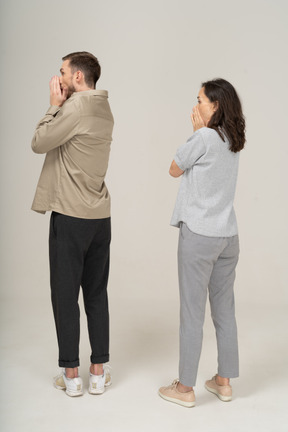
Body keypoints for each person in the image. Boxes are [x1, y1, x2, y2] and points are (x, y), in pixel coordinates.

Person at [31, 52, 114, 397]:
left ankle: (72, 375)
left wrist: (53, 105)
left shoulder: (74, 108)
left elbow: (39, 142)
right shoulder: (104, 109)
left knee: (65, 296)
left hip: (70, 215)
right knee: (95, 293)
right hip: (100, 217)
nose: (59, 76)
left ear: (78, 77)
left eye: (63, 71)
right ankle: (98, 372)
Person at [158, 78, 245, 407]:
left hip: (200, 236)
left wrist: (196, 132)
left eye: (199, 101)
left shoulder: (206, 136)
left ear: (215, 106)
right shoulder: (232, 138)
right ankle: (224, 381)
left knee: (192, 313)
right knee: (225, 310)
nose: (195, 107)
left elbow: (173, 169)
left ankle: (185, 389)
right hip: (228, 236)